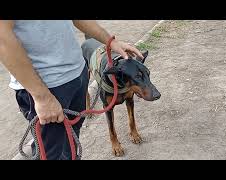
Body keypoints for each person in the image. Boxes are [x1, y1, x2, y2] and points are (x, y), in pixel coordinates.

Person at [0, 20, 144, 160]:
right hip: (47, 87)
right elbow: (3, 37)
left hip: (76, 73)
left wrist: (111, 42)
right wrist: (42, 97)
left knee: (70, 142)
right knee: (51, 152)